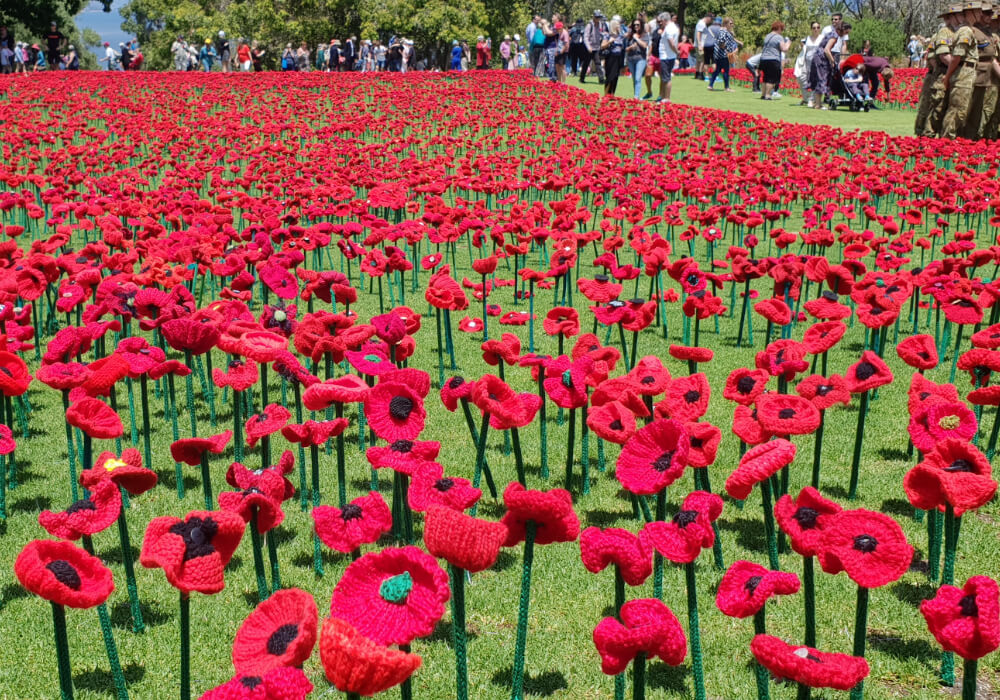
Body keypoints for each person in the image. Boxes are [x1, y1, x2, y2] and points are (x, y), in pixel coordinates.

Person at [915, 4, 959, 135]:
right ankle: (925, 137)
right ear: (949, 18)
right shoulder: (944, 33)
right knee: (933, 109)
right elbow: (933, 58)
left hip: (949, 73)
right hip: (939, 75)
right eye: (959, 15)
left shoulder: (959, 32)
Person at [940, 3, 978, 138]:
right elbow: (956, 57)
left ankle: (949, 140)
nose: (979, 14)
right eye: (976, 11)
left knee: (961, 110)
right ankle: (946, 142)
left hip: (967, 72)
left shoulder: (967, 30)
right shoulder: (966, 31)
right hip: (963, 73)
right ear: (969, 13)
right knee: (957, 110)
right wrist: (947, 76)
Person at [810, 22, 850, 109]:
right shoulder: (834, 36)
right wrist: (832, 61)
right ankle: (818, 104)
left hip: (818, 56)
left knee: (820, 79)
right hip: (821, 58)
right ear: (842, 30)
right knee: (822, 79)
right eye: (846, 32)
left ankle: (817, 103)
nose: (846, 35)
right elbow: (826, 50)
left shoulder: (832, 33)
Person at [708, 17, 741, 91]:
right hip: (723, 54)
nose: (732, 25)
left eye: (732, 23)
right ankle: (727, 87)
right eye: (730, 23)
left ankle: (710, 85)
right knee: (726, 70)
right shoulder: (723, 31)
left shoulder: (724, 31)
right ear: (726, 23)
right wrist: (727, 51)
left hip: (719, 54)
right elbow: (721, 42)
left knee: (717, 70)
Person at [760, 21, 791, 100]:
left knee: (765, 78)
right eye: (782, 29)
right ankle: (768, 95)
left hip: (764, 59)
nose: (782, 31)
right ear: (779, 28)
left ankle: (763, 94)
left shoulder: (767, 36)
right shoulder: (778, 37)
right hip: (773, 59)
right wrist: (788, 43)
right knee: (772, 78)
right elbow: (784, 49)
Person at [794, 23, 822, 106]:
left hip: (818, 62)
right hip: (806, 62)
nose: (816, 29)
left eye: (817, 27)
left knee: (815, 81)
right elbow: (802, 45)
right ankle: (806, 98)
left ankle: (812, 99)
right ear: (811, 29)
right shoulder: (807, 39)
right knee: (802, 79)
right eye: (814, 28)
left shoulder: (822, 38)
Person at [656, 12, 679, 103]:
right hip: (669, 56)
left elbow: (671, 42)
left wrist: (677, 52)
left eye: (661, 21)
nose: (661, 23)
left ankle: (667, 98)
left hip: (666, 56)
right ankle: (663, 97)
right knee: (665, 77)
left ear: (665, 20)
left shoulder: (669, 28)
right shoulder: (674, 27)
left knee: (666, 78)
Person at [624, 18, 648, 98]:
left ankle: (636, 97)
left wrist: (637, 39)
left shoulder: (644, 35)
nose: (636, 26)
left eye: (638, 25)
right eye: (634, 25)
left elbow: (645, 45)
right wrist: (631, 47)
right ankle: (636, 94)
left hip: (640, 58)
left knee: (638, 78)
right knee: (634, 78)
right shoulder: (630, 36)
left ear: (641, 25)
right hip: (631, 58)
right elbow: (626, 49)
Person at [601, 18, 625, 95]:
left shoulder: (620, 36)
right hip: (611, 57)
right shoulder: (608, 35)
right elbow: (603, 46)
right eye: (618, 25)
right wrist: (609, 42)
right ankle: (606, 93)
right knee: (610, 76)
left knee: (615, 76)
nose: (619, 27)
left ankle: (612, 94)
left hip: (618, 57)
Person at [581, 11, 606, 83]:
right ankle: (582, 78)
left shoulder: (601, 24)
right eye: (597, 17)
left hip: (597, 47)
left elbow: (602, 34)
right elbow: (585, 37)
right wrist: (588, 47)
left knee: (598, 63)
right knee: (586, 63)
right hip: (589, 48)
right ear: (594, 17)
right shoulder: (589, 25)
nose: (598, 19)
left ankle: (601, 79)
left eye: (599, 17)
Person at [693, 12, 713, 79]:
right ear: (708, 18)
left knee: (699, 59)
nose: (711, 21)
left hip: (699, 44)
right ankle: (700, 74)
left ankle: (697, 73)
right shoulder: (701, 24)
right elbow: (698, 34)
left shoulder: (701, 23)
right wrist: (700, 44)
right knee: (702, 60)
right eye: (711, 19)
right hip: (700, 45)